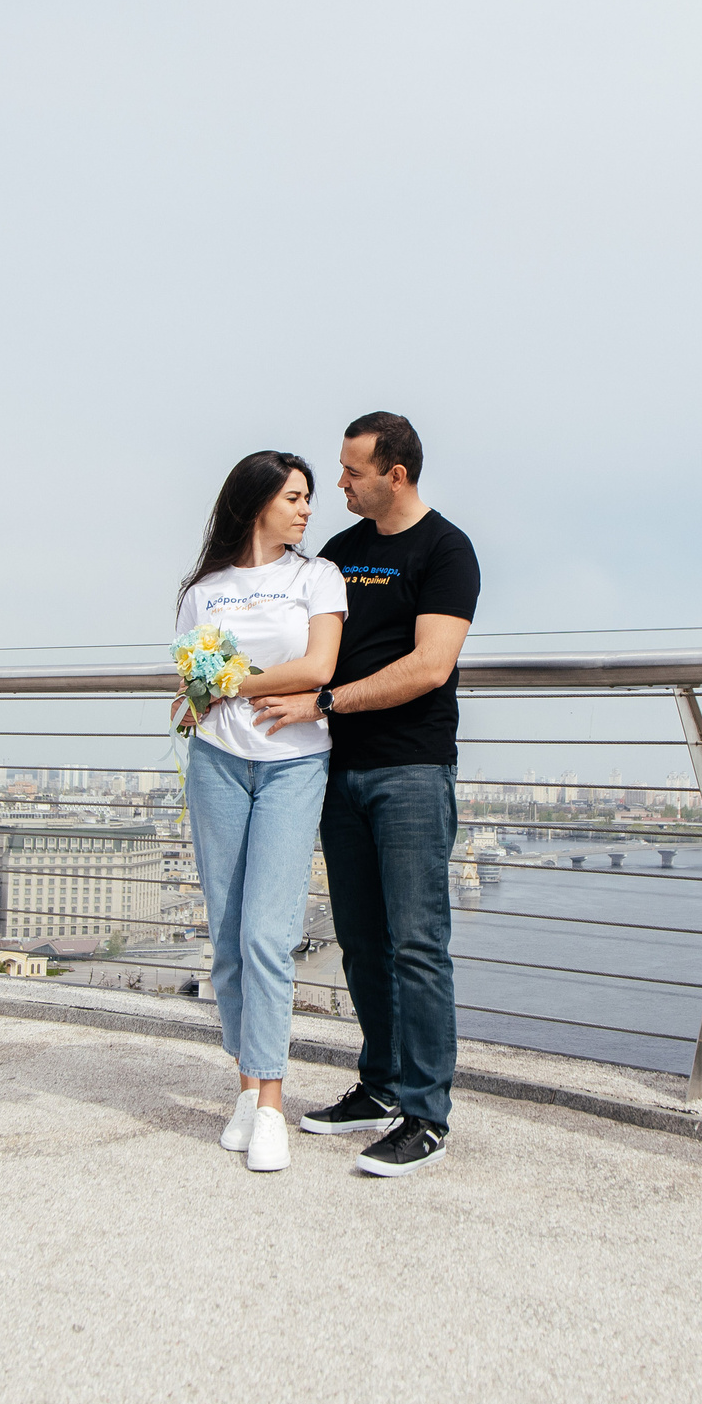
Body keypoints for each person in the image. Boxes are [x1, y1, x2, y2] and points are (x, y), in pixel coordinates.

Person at [251, 412, 478, 1177]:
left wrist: (328, 703)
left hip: (410, 769)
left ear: (397, 476)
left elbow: (429, 666)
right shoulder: (340, 555)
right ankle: (379, 1086)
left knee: (417, 945)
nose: (337, 485)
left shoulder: (445, 550)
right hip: (337, 772)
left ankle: (426, 1112)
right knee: (361, 942)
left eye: (351, 473)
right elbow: (292, 634)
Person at [174, 450, 347, 1175]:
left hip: (293, 763)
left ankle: (272, 1102)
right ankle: (246, 1085)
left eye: (309, 496)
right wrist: (202, 690)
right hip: (215, 760)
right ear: (256, 504)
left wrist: (230, 683)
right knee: (226, 934)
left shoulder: (317, 576)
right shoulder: (205, 589)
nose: (307, 509)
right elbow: (191, 682)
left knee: (269, 933)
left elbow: (318, 668)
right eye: (295, 497)